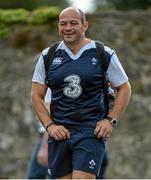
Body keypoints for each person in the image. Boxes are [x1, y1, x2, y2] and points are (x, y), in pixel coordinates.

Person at [31, 7, 131, 179]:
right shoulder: (48, 55)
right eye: (63, 24)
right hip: (60, 132)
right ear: (58, 27)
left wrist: (110, 120)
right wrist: (50, 126)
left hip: (89, 131)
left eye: (73, 23)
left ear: (85, 25)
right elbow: (36, 95)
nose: (68, 28)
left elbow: (124, 87)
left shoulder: (102, 53)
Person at [25, 89, 51, 179]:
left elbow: (51, 115)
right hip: (48, 135)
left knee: (34, 176)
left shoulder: (50, 77)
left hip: (49, 136)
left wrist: (45, 147)